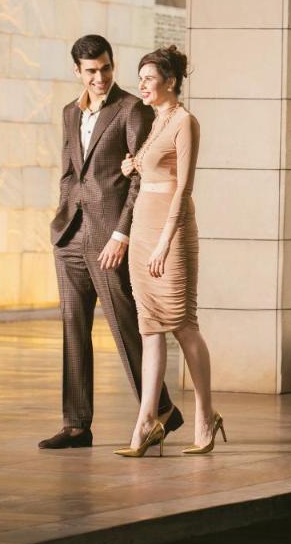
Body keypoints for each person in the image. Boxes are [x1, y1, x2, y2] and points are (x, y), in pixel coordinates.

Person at [40, 35, 183, 450]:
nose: (99, 77)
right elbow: (69, 171)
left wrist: (122, 233)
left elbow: (141, 176)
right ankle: (75, 425)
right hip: (70, 236)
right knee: (73, 328)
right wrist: (60, 217)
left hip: (109, 239)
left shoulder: (131, 109)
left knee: (125, 326)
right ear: (77, 72)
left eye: (105, 68)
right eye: (91, 71)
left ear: (112, 65)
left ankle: (161, 409)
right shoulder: (69, 113)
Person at [115, 46, 223, 458]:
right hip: (142, 228)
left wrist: (164, 241)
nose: (142, 85)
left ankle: (205, 416)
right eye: (140, 78)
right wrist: (132, 166)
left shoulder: (184, 122)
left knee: (182, 324)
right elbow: (153, 169)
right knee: (149, 327)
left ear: (171, 81)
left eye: (149, 78)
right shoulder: (156, 120)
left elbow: (183, 188)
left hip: (170, 233)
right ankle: (147, 421)